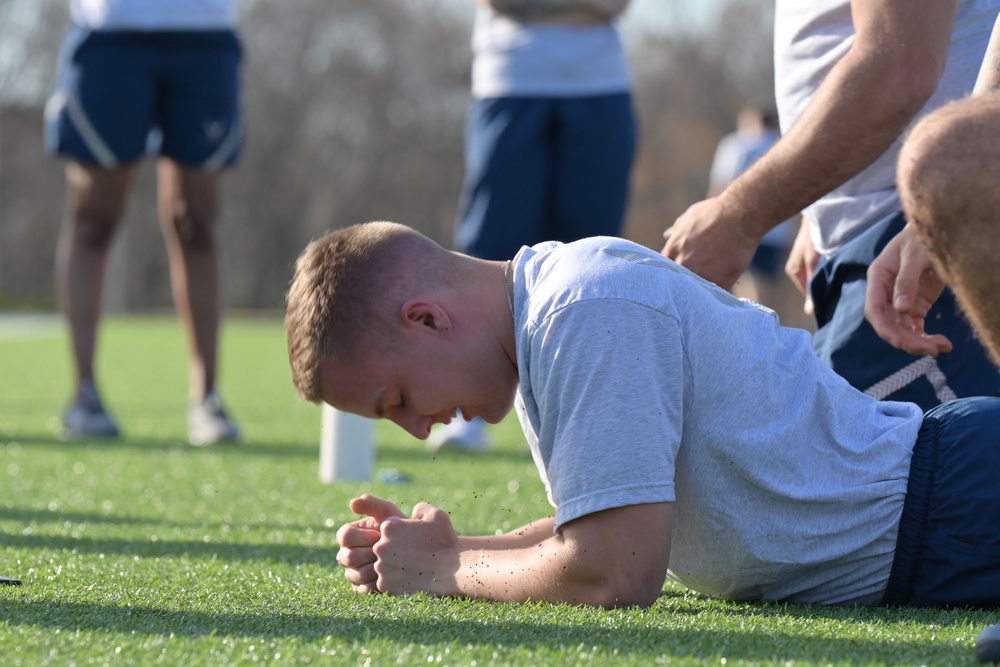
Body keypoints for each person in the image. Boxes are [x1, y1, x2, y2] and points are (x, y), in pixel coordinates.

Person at [285, 221, 1000, 609]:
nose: (416, 427)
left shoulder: (583, 313)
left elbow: (614, 573)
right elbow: (609, 520)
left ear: (427, 319)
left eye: (399, 401)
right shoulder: (545, 316)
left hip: (960, 503)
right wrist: (460, 546)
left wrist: (442, 569)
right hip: (946, 517)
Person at [661, 0, 1000, 410]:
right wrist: (816, 201)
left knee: (894, 466)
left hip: (914, 255)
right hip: (881, 239)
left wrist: (738, 217)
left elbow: (900, 67)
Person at [427, 0, 636, 452]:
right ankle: (467, 413)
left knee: (595, 261)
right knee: (488, 249)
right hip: (507, 82)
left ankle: (590, 425)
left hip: (601, 86)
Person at [44, 0, 243, 445]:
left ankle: (207, 395)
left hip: (205, 34)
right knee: (94, 218)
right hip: (112, 34)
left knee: (197, 221)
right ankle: (85, 393)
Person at [865, 15, 1000, 370]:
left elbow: (905, 70)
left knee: (941, 153)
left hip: (889, 220)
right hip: (862, 240)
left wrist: (745, 220)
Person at [704, 105, 806, 329]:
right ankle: (772, 335)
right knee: (770, 291)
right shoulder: (786, 144)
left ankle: (755, 336)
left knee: (747, 288)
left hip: (743, 229)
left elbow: (719, 186)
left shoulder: (738, 144)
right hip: (779, 230)